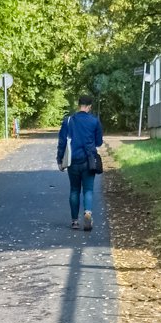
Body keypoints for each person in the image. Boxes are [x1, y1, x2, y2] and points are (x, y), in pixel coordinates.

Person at [57, 95, 104, 231]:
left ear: (79, 105)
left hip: (73, 161)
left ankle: (74, 221)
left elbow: (62, 142)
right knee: (88, 189)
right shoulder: (94, 121)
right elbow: (99, 142)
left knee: (74, 190)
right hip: (89, 160)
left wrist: (60, 160)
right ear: (90, 106)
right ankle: (88, 212)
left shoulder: (69, 120)